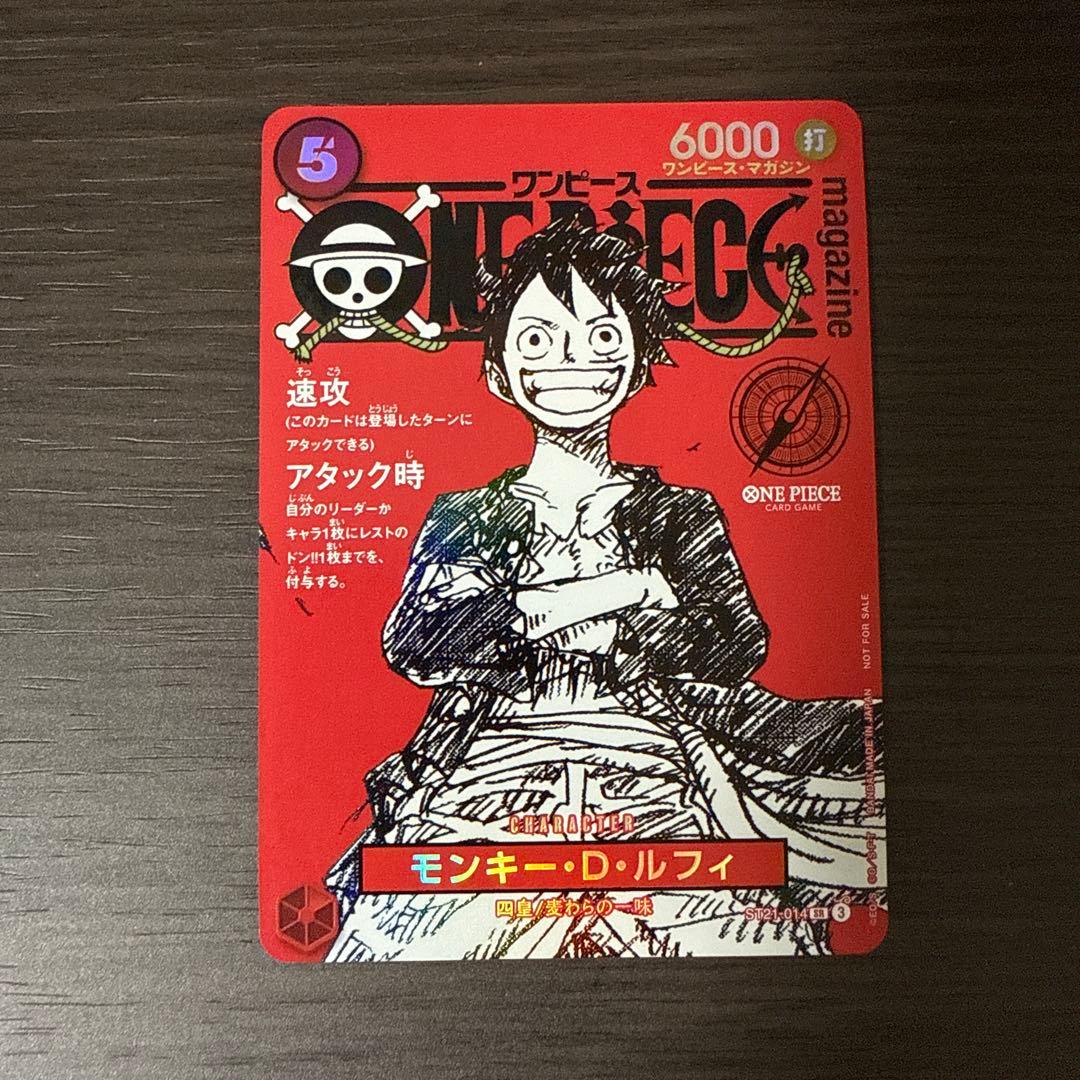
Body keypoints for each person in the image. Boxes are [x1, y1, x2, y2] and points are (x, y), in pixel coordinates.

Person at [325, 218, 884, 960]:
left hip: (656, 769)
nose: (572, 362)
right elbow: (417, 642)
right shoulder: (467, 513)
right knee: (413, 938)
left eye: (603, 338)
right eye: (537, 340)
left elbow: (735, 642)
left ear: (639, 361)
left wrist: (600, 627)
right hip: (486, 770)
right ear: (497, 372)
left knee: (731, 934)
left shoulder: (679, 511)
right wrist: (624, 589)